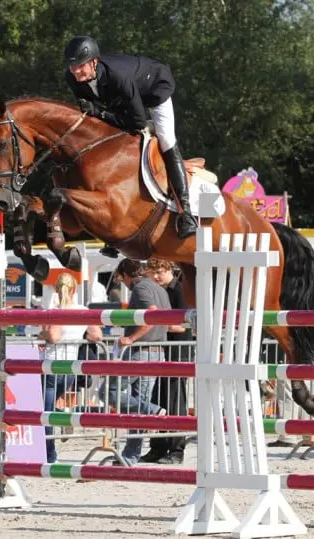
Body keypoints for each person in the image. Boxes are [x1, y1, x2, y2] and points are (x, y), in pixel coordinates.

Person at [63, 36, 197, 239]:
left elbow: (137, 122)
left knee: (166, 139)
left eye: (80, 66)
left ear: (94, 62)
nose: (75, 71)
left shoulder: (117, 76)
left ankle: (185, 212)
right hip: (123, 99)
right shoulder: (73, 78)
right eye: (72, 66)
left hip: (154, 89)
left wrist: (99, 113)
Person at [102, 258, 171, 465]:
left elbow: (153, 314)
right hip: (157, 351)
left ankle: (153, 410)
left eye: (121, 278)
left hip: (140, 351)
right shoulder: (159, 289)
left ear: (126, 275)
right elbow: (169, 321)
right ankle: (130, 456)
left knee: (109, 392)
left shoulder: (140, 288)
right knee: (137, 406)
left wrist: (131, 338)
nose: (122, 283)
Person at [37, 272, 103, 463]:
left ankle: (50, 455)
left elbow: (54, 337)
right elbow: (96, 335)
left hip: (52, 363)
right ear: (74, 289)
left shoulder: (57, 310)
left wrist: (43, 334)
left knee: (44, 412)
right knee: (48, 407)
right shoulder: (82, 310)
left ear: (56, 289)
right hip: (71, 365)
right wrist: (77, 336)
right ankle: (63, 418)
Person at [140, 259, 191, 464]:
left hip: (179, 353)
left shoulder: (180, 290)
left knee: (175, 402)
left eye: (159, 272)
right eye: (152, 273)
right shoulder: (159, 291)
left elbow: (184, 325)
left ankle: (177, 450)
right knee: (159, 400)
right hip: (163, 352)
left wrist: (157, 324)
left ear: (169, 269)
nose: (156, 277)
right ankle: (158, 447)